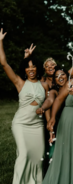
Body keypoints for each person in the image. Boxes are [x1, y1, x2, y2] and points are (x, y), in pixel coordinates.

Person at [0, 28, 50, 184]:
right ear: (25, 69)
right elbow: (3, 63)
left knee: (38, 157)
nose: (31, 69)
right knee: (24, 154)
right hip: (21, 124)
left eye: (33, 66)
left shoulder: (44, 85)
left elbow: (49, 103)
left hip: (37, 125)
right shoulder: (19, 83)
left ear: (37, 68)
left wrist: (49, 124)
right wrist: (0, 41)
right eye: (28, 67)